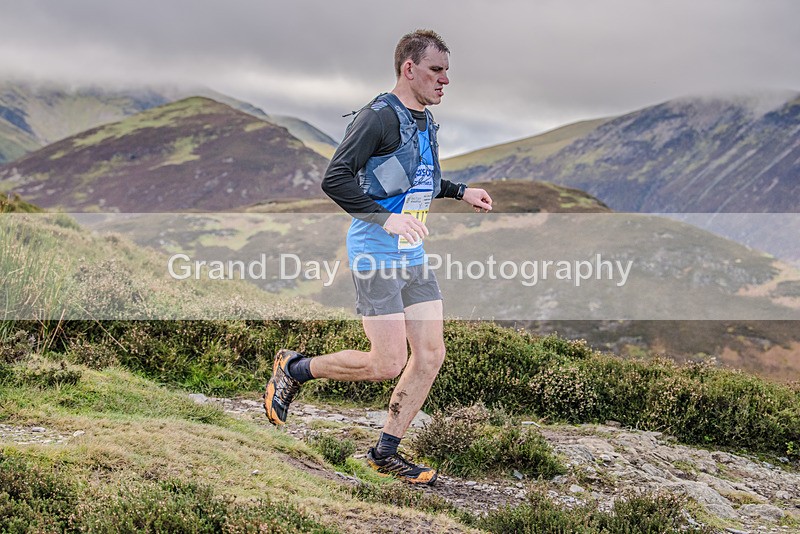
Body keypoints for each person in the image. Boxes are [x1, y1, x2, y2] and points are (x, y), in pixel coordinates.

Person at [264, 29, 492, 486]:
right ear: (409, 68)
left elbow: (418, 180)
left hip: (412, 254)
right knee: (386, 362)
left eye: (447, 71)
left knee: (430, 354)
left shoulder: (425, 120)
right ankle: (294, 369)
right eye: (436, 70)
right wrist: (385, 219)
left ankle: (384, 453)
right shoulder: (378, 117)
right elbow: (335, 179)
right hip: (374, 251)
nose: (445, 80)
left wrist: (461, 191)